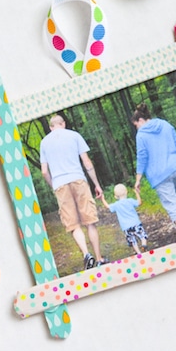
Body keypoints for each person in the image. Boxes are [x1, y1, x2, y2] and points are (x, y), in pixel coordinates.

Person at [40, 114, 108, 270]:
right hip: (78, 180)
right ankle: (99, 259)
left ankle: (86, 254)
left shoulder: (44, 142)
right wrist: (96, 184)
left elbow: (44, 171)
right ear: (63, 124)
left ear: (51, 128)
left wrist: (54, 185)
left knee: (73, 224)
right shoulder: (74, 135)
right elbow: (87, 162)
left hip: (60, 185)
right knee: (90, 221)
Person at [131, 103, 176, 241]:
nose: (137, 128)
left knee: (172, 204)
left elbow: (142, 157)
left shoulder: (141, 135)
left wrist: (138, 179)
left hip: (160, 174)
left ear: (140, 120)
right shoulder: (165, 124)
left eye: (136, 125)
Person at [100, 184, 148, 255]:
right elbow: (139, 202)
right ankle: (144, 244)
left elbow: (108, 206)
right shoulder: (130, 201)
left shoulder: (116, 205)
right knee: (142, 235)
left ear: (115, 196)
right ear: (126, 192)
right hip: (136, 223)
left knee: (132, 241)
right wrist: (137, 193)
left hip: (126, 227)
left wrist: (102, 199)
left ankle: (138, 252)